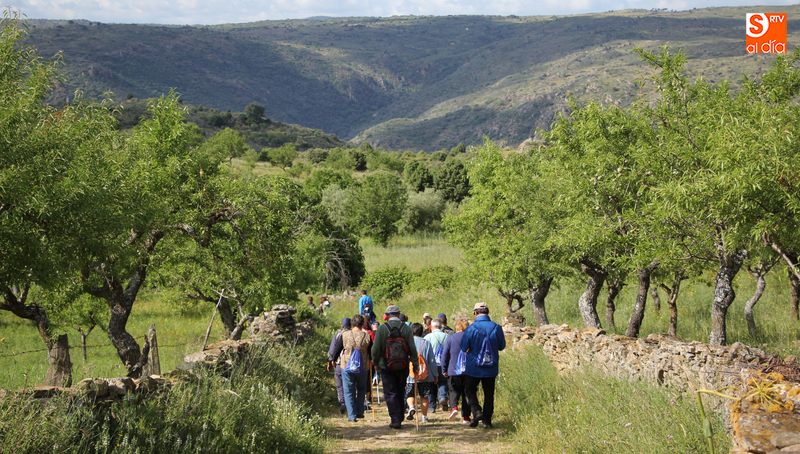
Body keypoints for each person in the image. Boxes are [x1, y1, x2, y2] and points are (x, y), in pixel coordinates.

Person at [371, 305, 418, 430]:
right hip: (403, 366)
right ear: (398, 314)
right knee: (401, 390)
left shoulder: (382, 329)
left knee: (390, 393)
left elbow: (375, 349)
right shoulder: (406, 329)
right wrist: (415, 365)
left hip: (386, 366)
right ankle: (399, 416)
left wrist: (375, 362)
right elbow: (412, 349)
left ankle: (395, 419)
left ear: (387, 315)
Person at [461, 302, 506, 428]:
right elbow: (502, 346)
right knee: (489, 393)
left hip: (473, 367)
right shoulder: (496, 327)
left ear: (475, 313)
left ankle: (476, 411)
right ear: (488, 312)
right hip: (491, 367)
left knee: (469, 390)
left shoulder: (471, 328)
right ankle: (487, 420)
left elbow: (464, 347)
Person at [336, 314, 372, 422]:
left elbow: (337, 349)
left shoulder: (345, 335)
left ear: (352, 323)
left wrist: (332, 359)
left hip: (346, 366)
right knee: (361, 389)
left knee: (348, 391)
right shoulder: (367, 336)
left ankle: (352, 415)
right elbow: (371, 352)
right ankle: (360, 411)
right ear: (363, 324)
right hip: (363, 366)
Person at [405, 322, 439, 424]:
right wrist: (435, 375)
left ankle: (411, 407)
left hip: (410, 375)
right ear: (421, 332)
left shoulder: (407, 343)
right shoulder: (426, 343)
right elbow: (431, 360)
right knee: (424, 396)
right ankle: (424, 417)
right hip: (424, 375)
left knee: (410, 394)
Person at [442, 319, 471, 424]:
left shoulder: (451, 338)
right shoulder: (470, 338)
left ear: (457, 327)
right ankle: (466, 417)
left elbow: (445, 354)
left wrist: (444, 369)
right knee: (466, 393)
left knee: (453, 391)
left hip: (453, 370)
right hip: (468, 370)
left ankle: (454, 408)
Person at [424, 319, 449, 412]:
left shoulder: (427, 337)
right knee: (442, 382)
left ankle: (431, 406)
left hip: (431, 364)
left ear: (431, 326)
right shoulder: (446, 336)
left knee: (431, 385)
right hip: (443, 363)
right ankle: (442, 397)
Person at [327, 318, 352, 414]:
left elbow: (332, 350)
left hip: (339, 362)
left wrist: (330, 361)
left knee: (339, 384)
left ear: (342, 325)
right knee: (350, 384)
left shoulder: (338, 334)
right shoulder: (353, 334)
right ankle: (351, 403)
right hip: (352, 363)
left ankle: (342, 403)